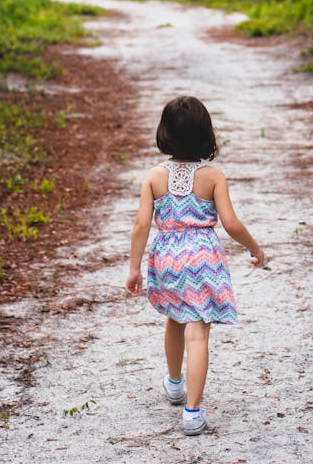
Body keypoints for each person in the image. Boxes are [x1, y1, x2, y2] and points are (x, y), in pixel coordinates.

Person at [124, 95, 264, 436]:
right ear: (207, 135)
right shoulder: (213, 176)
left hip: (168, 258)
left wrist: (134, 268)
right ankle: (192, 412)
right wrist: (254, 247)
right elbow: (230, 224)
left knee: (175, 317)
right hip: (202, 259)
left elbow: (141, 225)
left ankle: (174, 384)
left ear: (164, 134)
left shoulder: (154, 177)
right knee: (198, 331)